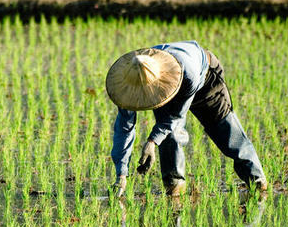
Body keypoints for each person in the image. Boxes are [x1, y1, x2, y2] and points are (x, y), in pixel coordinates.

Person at [106, 40, 267, 196]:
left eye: (147, 93)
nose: (142, 97)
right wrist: (122, 174)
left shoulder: (188, 73)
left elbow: (175, 116)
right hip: (166, 84)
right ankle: (174, 187)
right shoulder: (127, 86)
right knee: (170, 135)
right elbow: (124, 128)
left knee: (223, 129)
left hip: (204, 78)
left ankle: (256, 180)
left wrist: (152, 142)